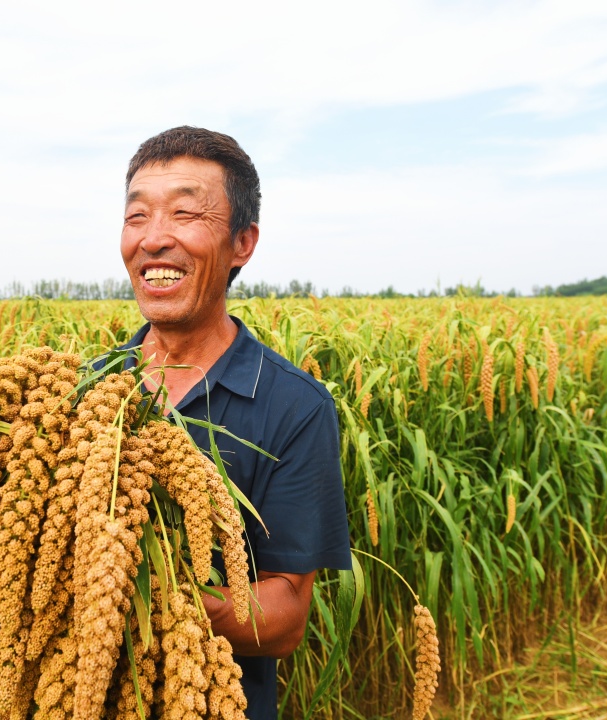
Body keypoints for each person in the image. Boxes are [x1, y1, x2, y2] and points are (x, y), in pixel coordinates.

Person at [116, 126, 352, 718]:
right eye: (138, 216)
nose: (154, 239)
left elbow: (287, 614)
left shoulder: (294, 406)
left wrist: (156, 598)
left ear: (242, 242)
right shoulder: (85, 390)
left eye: (186, 214)